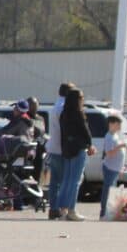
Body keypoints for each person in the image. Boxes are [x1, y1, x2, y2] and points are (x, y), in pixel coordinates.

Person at [56, 88, 94, 221]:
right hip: (78, 148)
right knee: (75, 181)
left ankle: (62, 210)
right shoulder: (78, 113)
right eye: (81, 98)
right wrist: (89, 144)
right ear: (77, 100)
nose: (83, 100)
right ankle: (71, 210)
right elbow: (85, 131)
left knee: (66, 180)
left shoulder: (64, 114)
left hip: (67, 149)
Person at [44, 82, 75, 220]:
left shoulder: (55, 107)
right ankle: (61, 208)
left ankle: (53, 208)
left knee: (54, 181)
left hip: (53, 147)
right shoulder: (64, 108)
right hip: (62, 149)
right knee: (63, 181)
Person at [99, 114, 126, 219]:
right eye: (118, 124)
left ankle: (109, 212)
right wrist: (119, 147)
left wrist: (121, 167)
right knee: (107, 191)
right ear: (111, 124)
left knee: (112, 191)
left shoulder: (115, 135)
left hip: (115, 168)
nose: (119, 126)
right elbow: (109, 153)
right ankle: (103, 213)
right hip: (110, 168)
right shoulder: (109, 137)